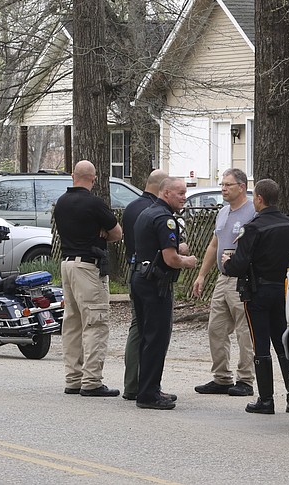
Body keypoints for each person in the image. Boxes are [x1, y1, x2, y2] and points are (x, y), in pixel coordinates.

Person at [222, 179, 289, 414]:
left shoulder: (253, 228)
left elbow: (240, 263)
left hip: (258, 292)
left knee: (261, 345)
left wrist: (227, 263)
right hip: (285, 291)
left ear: (259, 199)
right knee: (284, 344)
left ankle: (266, 400)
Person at [54, 160, 122, 397]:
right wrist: (101, 232)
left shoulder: (61, 203)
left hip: (67, 265)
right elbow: (117, 232)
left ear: (73, 176)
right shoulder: (94, 204)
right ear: (93, 178)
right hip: (88, 267)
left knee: (72, 323)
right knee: (95, 322)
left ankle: (73, 378)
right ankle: (92, 380)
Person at [131, 177, 198, 409]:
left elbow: (153, 246)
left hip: (140, 278)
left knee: (146, 337)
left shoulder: (147, 213)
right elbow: (170, 259)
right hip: (155, 284)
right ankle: (149, 394)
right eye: (180, 193)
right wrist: (187, 260)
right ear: (166, 193)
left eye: (185, 193)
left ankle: (148, 388)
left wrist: (176, 248)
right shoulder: (165, 219)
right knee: (156, 339)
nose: (184, 197)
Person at [191, 168, 256, 397]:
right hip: (223, 278)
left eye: (228, 185)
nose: (223, 189)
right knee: (215, 329)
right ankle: (222, 378)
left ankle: (246, 379)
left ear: (242, 186)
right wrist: (201, 275)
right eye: (222, 185)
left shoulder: (253, 212)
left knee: (244, 330)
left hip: (243, 279)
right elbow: (214, 245)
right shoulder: (223, 212)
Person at [121, 169, 170, 401]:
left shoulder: (132, 207)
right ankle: (142, 385)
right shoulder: (153, 211)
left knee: (138, 328)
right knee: (150, 332)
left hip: (135, 270)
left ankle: (134, 383)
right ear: (161, 188)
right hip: (151, 274)